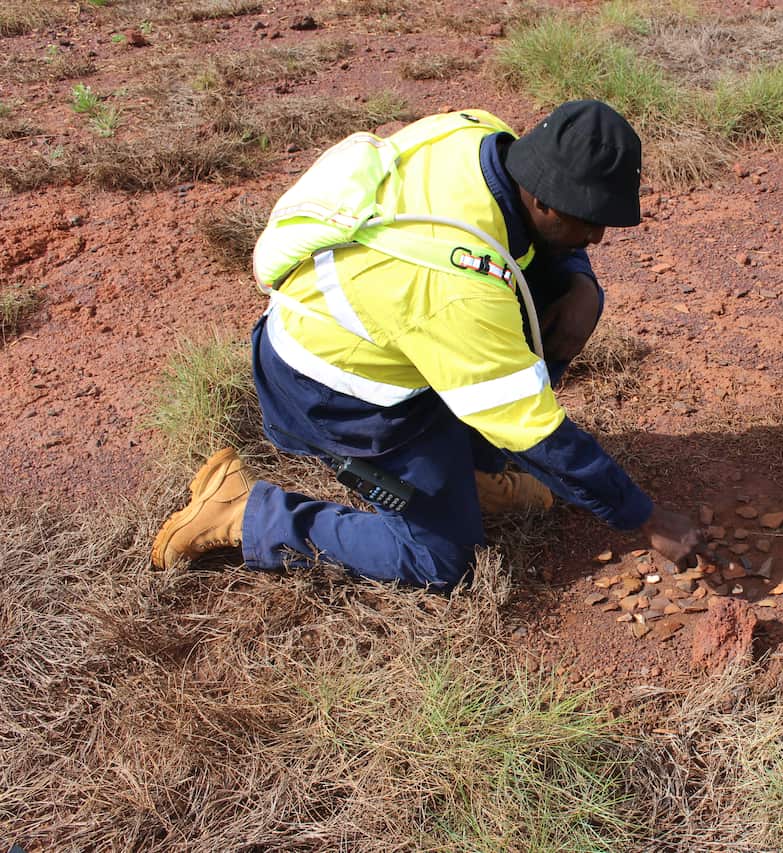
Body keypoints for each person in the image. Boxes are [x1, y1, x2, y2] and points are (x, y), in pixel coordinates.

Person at [152, 100, 702, 589]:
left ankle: (472, 467)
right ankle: (244, 511)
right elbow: (537, 429)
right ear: (545, 200)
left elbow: (542, 246)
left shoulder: (481, 137)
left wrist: (580, 279)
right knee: (438, 559)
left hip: (389, 331)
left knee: (568, 290)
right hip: (336, 397)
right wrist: (643, 517)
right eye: (590, 222)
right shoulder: (456, 289)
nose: (599, 238)